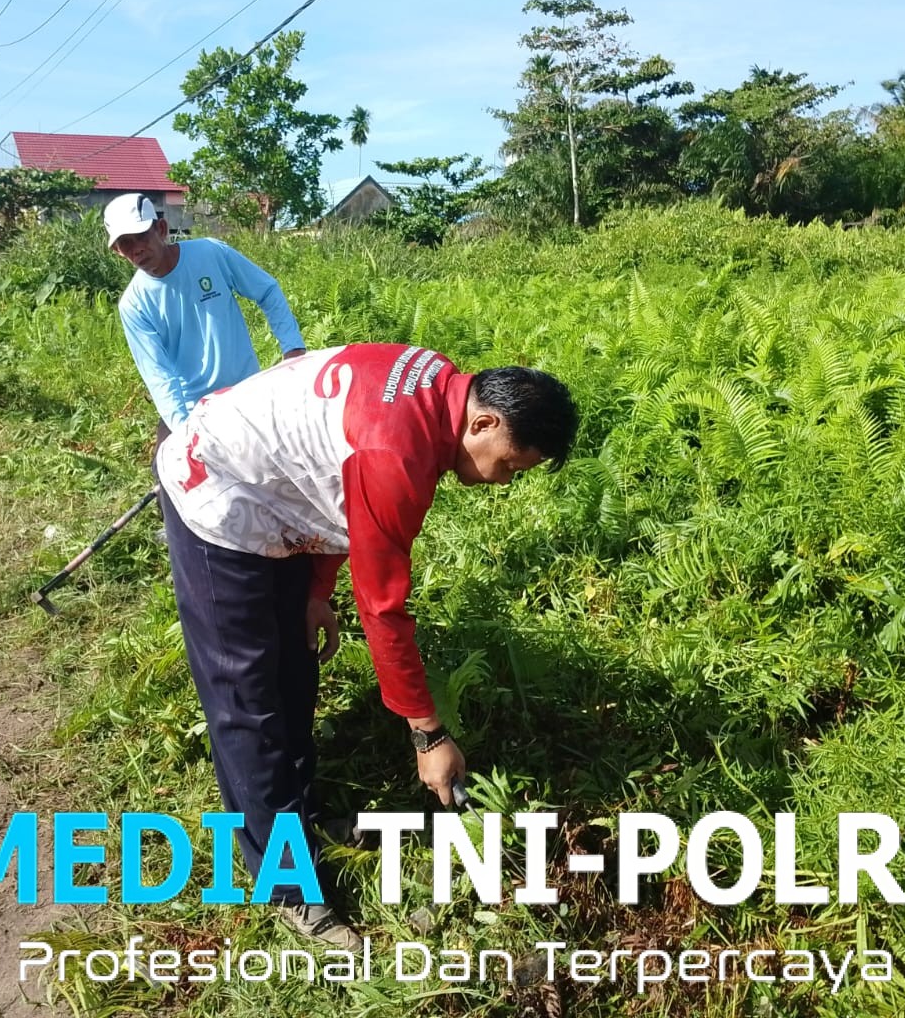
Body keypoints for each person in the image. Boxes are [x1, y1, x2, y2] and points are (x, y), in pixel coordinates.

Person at [153, 345, 578, 947]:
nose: (503, 481)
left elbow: (334, 476)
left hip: (276, 493)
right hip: (217, 493)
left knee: (295, 669)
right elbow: (382, 607)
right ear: (483, 423)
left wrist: (317, 591)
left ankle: (297, 820)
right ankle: (286, 886)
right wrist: (427, 734)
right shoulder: (398, 450)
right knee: (247, 698)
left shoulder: (437, 389)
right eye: (509, 465)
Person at [104, 193, 305, 441]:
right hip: (193, 412)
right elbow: (159, 375)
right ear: (117, 251)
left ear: (161, 229)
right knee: (167, 474)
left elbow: (267, 290)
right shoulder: (134, 305)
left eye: (142, 236)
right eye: (126, 244)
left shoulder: (210, 254)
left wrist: (293, 347)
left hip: (247, 395)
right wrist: (185, 432)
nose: (137, 249)